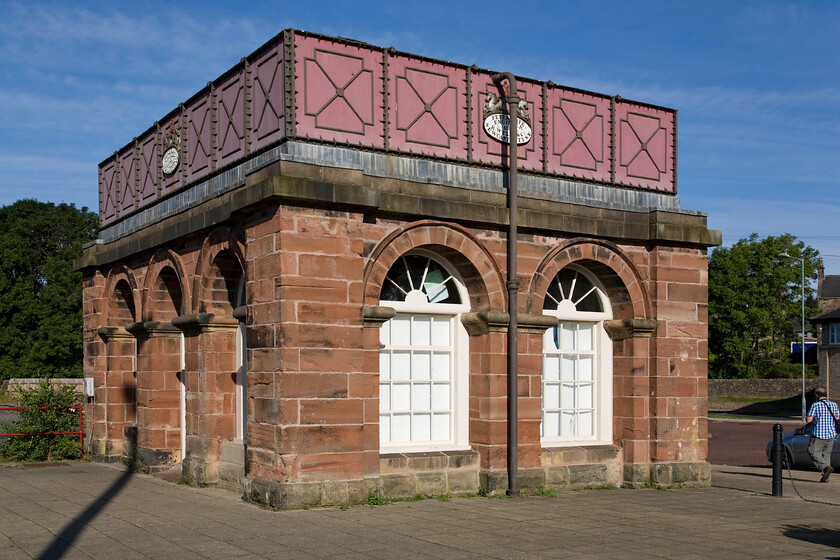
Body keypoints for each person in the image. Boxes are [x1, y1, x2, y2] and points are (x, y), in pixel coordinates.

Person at [806, 387, 840, 482]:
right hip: (831, 433)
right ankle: (826, 477)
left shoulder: (815, 405)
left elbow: (809, 420)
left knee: (812, 451)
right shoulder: (834, 404)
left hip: (819, 433)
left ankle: (826, 467)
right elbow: (837, 418)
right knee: (826, 454)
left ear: (817, 395)